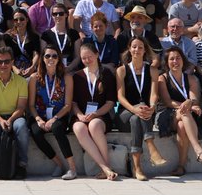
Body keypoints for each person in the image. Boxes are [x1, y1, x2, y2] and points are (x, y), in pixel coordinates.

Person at [155, 47, 202, 177]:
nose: (175, 61)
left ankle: (181, 166)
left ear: (183, 60)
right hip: (167, 114)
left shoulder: (192, 79)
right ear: (167, 62)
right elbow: (168, 102)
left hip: (186, 117)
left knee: (182, 125)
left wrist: (190, 102)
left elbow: (194, 98)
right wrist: (189, 106)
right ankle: (198, 149)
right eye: (172, 59)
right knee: (184, 112)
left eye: (178, 58)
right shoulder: (162, 78)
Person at [116, 38, 167, 180]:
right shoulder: (122, 70)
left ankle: (137, 168)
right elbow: (120, 97)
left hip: (144, 114)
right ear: (129, 49)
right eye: (134, 47)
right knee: (136, 114)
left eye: (140, 47)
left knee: (136, 119)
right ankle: (151, 146)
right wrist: (135, 109)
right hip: (125, 113)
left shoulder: (152, 70)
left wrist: (152, 107)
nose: (137, 50)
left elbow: (154, 94)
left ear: (145, 50)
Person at [28, 44, 78, 180]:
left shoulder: (66, 77)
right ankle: (58, 163)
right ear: (42, 59)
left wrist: (54, 119)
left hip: (59, 115)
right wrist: (38, 119)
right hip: (40, 115)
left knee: (57, 128)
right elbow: (31, 105)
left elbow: (67, 105)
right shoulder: (34, 78)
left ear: (58, 59)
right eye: (47, 56)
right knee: (35, 132)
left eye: (54, 56)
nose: (51, 58)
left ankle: (72, 168)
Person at [70, 44, 119, 180]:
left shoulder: (107, 74)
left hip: (101, 115)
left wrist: (96, 114)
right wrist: (80, 115)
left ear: (97, 54)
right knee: (79, 128)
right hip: (81, 115)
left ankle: (107, 165)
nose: (87, 60)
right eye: (83, 58)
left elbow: (110, 102)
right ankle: (105, 168)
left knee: (94, 125)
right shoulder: (77, 76)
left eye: (89, 56)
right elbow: (73, 103)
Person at [0, 46, 29, 179]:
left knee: (21, 127)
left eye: (7, 61)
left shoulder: (21, 81)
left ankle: (22, 165)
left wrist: (10, 120)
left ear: (12, 62)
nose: (3, 65)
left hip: (15, 115)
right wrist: (1, 120)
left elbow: (21, 107)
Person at [4, 8, 40, 77]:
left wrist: (32, 67)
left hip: (30, 70)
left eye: (22, 19)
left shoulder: (34, 36)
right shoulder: (8, 37)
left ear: (27, 19)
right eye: (16, 20)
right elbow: (7, 56)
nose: (19, 22)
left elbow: (36, 54)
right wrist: (14, 68)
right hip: (12, 71)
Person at [41, 4, 78, 68]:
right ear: (52, 16)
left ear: (66, 15)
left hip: (70, 68)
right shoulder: (46, 35)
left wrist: (68, 69)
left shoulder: (74, 33)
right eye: (55, 14)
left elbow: (77, 57)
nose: (58, 16)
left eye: (61, 14)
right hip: (52, 68)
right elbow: (44, 56)